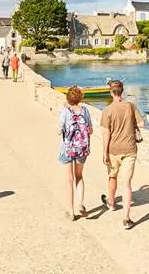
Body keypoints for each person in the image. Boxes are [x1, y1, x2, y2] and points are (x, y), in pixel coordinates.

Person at [100, 80, 143, 230]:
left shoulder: (108, 110)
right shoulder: (130, 106)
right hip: (130, 149)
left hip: (113, 149)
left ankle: (111, 203)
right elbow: (142, 124)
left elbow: (106, 133)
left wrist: (104, 152)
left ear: (111, 92)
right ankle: (126, 219)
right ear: (122, 91)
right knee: (126, 184)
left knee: (112, 176)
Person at [58, 86, 92, 221]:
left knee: (69, 179)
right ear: (80, 98)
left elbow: (60, 129)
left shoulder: (65, 111)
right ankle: (80, 203)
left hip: (68, 148)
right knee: (79, 176)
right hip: (82, 149)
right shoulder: (85, 111)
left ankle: (71, 211)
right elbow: (90, 130)